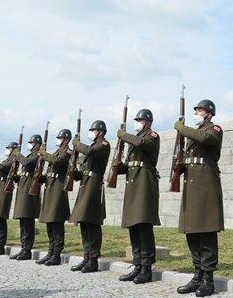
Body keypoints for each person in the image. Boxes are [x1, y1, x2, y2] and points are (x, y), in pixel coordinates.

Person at [175, 98, 223, 298]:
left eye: (200, 111)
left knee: (206, 231)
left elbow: (205, 139)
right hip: (192, 186)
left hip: (206, 187)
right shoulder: (193, 134)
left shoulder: (215, 129)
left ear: (209, 114)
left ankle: (208, 278)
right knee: (192, 231)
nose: (197, 113)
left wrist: (182, 128)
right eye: (195, 110)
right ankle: (198, 273)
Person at [116, 109, 160, 284]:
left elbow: (142, 144)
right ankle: (137, 265)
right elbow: (131, 162)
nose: (137, 121)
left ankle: (147, 267)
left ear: (147, 121)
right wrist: (120, 167)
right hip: (133, 182)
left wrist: (123, 135)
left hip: (144, 182)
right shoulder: (135, 138)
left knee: (143, 224)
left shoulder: (152, 135)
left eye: (140, 119)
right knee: (133, 225)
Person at [69, 120, 111, 273]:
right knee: (84, 223)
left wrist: (77, 144)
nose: (91, 132)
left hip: (93, 185)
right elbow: (83, 170)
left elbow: (91, 152)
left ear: (100, 131)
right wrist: (74, 173)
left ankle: (93, 259)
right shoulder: (93, 146)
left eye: (93, 130)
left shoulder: (103, 145)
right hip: (85, 184)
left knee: (92, 222)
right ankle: (86, 256)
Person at [37, 129, 73, 266]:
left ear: (66, 139)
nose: (58, 139)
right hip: (50, 188)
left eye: (60, 137)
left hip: (58, 190)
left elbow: (56, 161)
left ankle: (56, 254)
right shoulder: (57, 152)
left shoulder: (67, 152)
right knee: (49, 223)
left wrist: (43, 153)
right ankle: (50, 251)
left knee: (56, 222)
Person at [9, 135, 44, 260]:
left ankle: (27, 250)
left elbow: (28, 164)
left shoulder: (38, 155)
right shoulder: (30, 155)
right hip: (23, 188)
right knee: (23, 221)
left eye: (31, 142)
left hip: (29, 190)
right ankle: (23, 247)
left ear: (37, 144)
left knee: (27, 221)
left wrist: (17, 154)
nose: (29, 144)